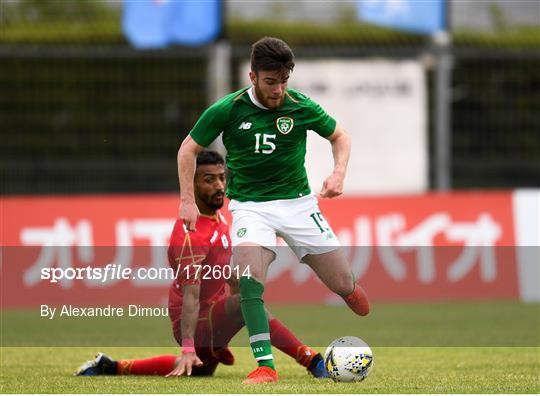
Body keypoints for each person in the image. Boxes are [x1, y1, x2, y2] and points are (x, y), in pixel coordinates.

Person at [178, 37, 370, 384]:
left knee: (341, 283)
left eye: (284, 81)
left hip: (298, 204)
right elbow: (187, 150)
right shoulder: (229, 109)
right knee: (250, 280)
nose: (278, 89)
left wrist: (338, 172)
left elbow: (340, 136)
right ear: (252, 76)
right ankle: (265, 365)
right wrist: (187, 201)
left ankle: (349, 287)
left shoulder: (300, 106)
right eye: (270, 82)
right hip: (251, 207)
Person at [75, 150, 327, 379]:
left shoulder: (216, 215)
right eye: (209, 180)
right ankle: (311, 360)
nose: (219, 186)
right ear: (192, 184)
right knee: (244, 303)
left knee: (199, 371)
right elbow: (191, 298)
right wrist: (188, 347)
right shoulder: (191, 235)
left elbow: (216, 266)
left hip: (212, 311)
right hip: (195, 321)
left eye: (221, 178)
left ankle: (110, 366)